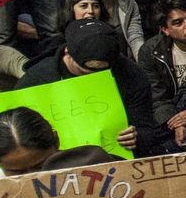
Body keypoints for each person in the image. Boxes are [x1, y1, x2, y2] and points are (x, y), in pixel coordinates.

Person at [15, 20, 153, 154]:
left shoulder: (132, 75)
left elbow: (147, 128)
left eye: (103, 73)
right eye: (87, 72)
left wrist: (137, 137)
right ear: (67, 53)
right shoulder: (36, 80)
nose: (95, 78)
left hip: (112, 156)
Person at [138, 0, 186, 150]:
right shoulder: (151, 51)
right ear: (165, 29)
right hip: (175, 111)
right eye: (178, 23)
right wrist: (176, 123)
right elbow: (157, 97)